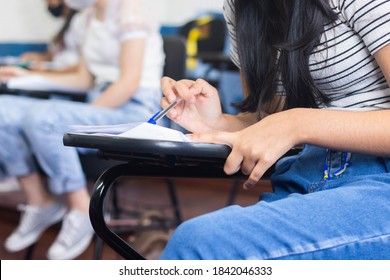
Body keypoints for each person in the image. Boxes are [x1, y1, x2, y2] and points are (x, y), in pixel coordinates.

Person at [159, 0, 390, 260]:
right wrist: (217, 123)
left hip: (379, 184)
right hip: (304, 177)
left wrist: (298, 123)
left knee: (200, 245)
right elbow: (272, 120)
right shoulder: (240, 7)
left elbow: (290, 124)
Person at [0, 0, 164, 260]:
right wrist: (23, 76)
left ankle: (81, 209)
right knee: (3, 110)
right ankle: (40, 201)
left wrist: (77, 124)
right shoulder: (88, 17)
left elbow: (128, 82)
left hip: (135, 111)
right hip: (100, 104)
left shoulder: (128, 9)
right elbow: (83, 80)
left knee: (44, 118)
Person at [19, 0, 82, 72]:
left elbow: (84, 66)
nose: (48, 5)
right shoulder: (61, 25)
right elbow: (55, 52)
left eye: (50, 1)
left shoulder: (80, 21)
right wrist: (40, 58)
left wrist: (50, 70)